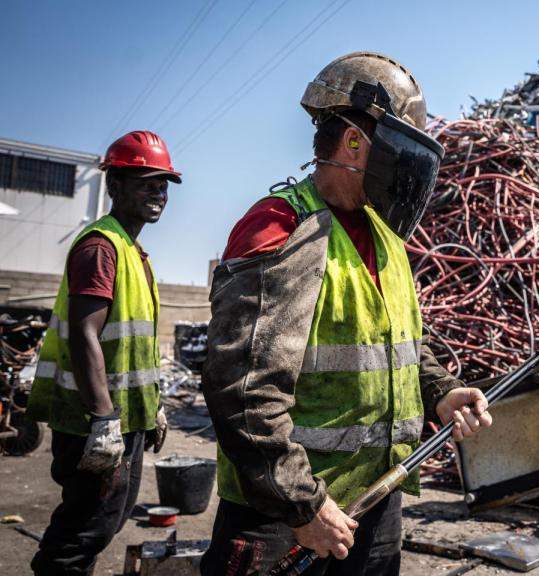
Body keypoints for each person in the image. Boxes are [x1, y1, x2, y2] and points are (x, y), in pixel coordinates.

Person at [200, 52, 493, 576]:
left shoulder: (387, 237)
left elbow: (396, 342)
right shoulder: (282, 229)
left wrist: (441, 391)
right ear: (356, 142)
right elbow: (242, 392)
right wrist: (303, 506)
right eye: (398, 147)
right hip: (282, 517)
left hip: (378, 499)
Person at [26, 130, 180, 575]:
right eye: (145, 182)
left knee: (101, 526)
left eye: (163, 183)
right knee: (80, 535)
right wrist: (104, 419)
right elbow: (84, 335)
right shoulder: (101, 247)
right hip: (99, 423)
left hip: (124, 420)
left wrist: (153, 408)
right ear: (114, 185)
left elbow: (134, 349)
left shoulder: (133, 251)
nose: (158, 192)